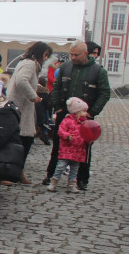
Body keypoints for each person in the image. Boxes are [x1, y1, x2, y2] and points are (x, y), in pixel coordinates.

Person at [43, 41, 110, 190]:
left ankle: (82, 179)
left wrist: (92, 112)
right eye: (71, 54)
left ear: (85, 53)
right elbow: (56, 87)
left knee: (84, 147)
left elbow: (105, 93)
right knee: (58, 144)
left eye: (76, 55)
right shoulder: (66, 67)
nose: (72, 57)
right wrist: (58, 107)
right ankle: (51, 175)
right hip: (64, 113)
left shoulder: (98, 71)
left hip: (85, 117)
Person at [7, 42, 52, 183]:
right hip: (20, 108)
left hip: (20, 108)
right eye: (45, 55)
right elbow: (21, 80)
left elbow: (25, 80)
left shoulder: (27, 63)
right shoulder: (30, 64)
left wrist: (36, 88)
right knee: (24, 140)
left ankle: (17, 172)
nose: (46, 58)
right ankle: (14, 172)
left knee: (24, 140)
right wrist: (33, 96)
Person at [48, 97, 89, 193]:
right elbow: (60, 131)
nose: (86, 113)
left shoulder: (85, 123)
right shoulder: (67, 120)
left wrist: (88, 140)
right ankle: (54, 182)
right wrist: (67, 136)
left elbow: (87, 134)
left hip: (78, 150)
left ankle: (71, 185)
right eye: (84, 111)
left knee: (74, 169)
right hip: (66, 149)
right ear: (77, 112)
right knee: (60, 166)